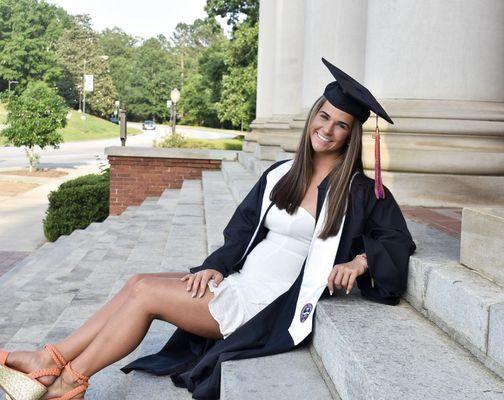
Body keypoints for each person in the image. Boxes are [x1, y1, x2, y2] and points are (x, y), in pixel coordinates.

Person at [0, 58, 416, 400]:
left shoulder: (361, 193)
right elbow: (241, 232)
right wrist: (215, 267)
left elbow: (398, 241)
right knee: (137, 281)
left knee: (146, 294)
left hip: (269, 307)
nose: (327, 129)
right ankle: (51, 360)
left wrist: (361, 261)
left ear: (351, 134)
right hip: (239, 283)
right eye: (324, 116)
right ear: (313, 116)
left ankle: (70, 378)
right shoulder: (280, 174)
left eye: (341, 124)